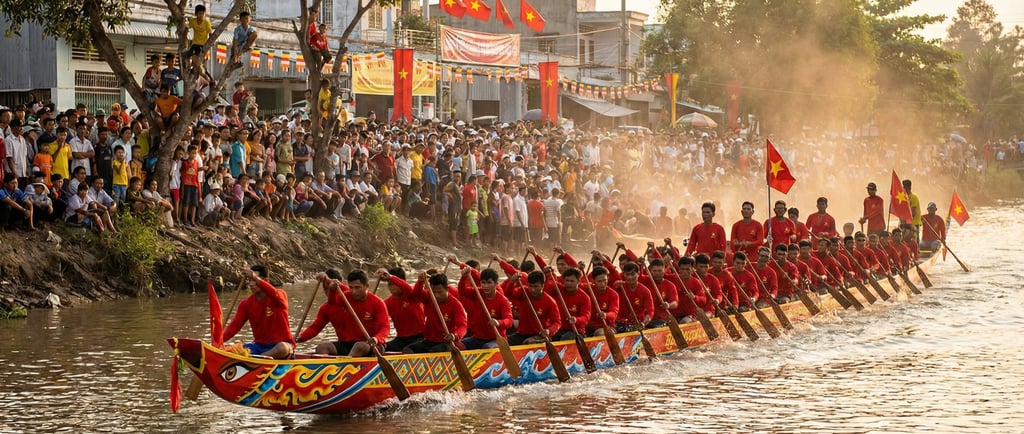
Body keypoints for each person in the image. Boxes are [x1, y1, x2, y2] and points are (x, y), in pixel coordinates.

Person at [297, 270, 390, 356]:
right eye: (351, 288)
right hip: (346, 344)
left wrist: (376, 339)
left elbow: (385, 328)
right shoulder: (346, 297)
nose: (354, 291)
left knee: (359, 346)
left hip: (371, 345)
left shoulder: (378, 303)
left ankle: (345, 366)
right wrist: (332, 290)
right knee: (322, 347)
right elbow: (332, 303)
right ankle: (328, 370)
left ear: (367, 286)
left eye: (358, 288)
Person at [223, 265, 294, 359]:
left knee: (282, 348)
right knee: (231, 350)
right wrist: (219, 340)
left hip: (281, 346)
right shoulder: (246, 303)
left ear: (265, 280)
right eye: (249, 280)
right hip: (259, 346)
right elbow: (234, 326)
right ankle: (257, 358)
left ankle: (257, 359)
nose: (251, 284)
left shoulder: (280, 295)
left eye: (254, 280)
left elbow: (274, 293)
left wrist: (255, 277)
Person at [403, 272, 468, 354]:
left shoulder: (456, 305)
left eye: (440, 292)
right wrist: (420, 281)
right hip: (430, 340)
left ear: (447, 289)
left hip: (448, 342)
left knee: (434, 351)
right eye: (434, 292)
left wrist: (455, 336)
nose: (436, 295)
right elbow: (416, 294)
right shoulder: (429, 297)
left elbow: (462, 326)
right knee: (408, 350)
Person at [456, 264, 514, 350]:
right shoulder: (477, 292)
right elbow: (462, 291)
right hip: (478, 338)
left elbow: (509, 321)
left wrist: (498, 323)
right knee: (457, 345)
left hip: (496, 339)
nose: (485, 286)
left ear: (496, 283)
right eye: (483, 282)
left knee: (487, 347)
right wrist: (463, 278)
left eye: (489, 283)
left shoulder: (503, 301)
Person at [503, 270, 561, 345]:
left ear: (542, 285)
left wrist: (549, 331)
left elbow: (557, 322)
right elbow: (508, 295)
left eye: (536, 286)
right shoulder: (524, 291)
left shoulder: (550, 302)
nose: (532, 290)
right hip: (522, 334)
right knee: (501, 343)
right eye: (530, 286)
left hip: (539, 335)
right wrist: (512, 282)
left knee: (529, 342)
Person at [378, 267, 426, 352]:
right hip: (401, 339)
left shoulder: (413, 294)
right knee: (378, 348)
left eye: (394, 284)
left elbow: (407, 287)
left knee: (407, 350)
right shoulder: (387, 303)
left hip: (420, 337)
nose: (391, 287)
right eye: (389, 284)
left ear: (402, 282)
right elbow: (379, 321)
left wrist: (390, 277)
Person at [585, 265, 619, 337]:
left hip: (606, 326)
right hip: (588, 326)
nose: (603, 284)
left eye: (604, 280)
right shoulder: (587, 290)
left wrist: (605, 315)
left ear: (608, 278)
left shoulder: (613, 294)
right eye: (599, 281)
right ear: (593, 280)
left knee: (600, 333)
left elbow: (614, 314)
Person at [187, 5, 212, 73]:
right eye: (200, 13)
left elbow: (210, 34)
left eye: (203, 14)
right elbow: (186, 27)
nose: (201, 15)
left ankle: (206, 77)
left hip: (203, 45)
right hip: (195, 43)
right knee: (194, 62)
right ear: (196, 14)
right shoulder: (193, 21)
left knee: (198, 64)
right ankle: (206, 77)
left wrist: (209, 46)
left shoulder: (207, 23)